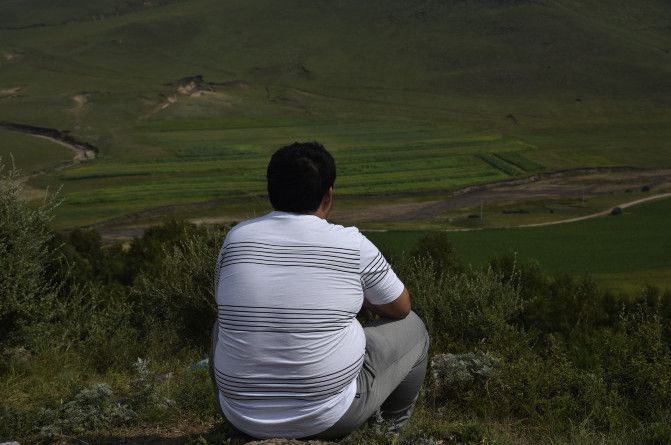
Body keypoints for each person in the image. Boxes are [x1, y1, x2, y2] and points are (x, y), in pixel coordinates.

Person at [210, 142, 429, 439]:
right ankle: (388, 433)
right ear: (328, 195)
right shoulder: (351, 244)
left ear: (270, 191)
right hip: (329, 418)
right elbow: (401, 307)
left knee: (221, 325)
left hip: (239, 416)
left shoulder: (237, 238)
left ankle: (254, 410)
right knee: (414, 328)